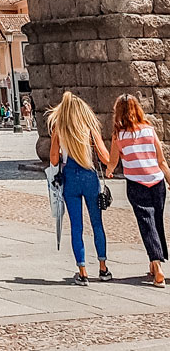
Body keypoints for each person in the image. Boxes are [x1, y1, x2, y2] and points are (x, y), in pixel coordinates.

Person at [48, 90, 113, 285]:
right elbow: (104, 156)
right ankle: (102, 268)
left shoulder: (60, 129)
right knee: (97, 224)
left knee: (77, 226)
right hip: (89, 175)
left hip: (70, 178)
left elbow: (53, 159)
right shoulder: (89, 128)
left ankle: (82, 271)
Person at [106, 94, 170, 287]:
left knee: (146, 223)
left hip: (136, 183)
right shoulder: (149, 131)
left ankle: (157, 266)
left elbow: (113, 161)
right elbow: (162, 161)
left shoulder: (119, 135)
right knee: (156, 220)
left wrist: (108, 171)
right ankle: (154, 262)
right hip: (156, 182)